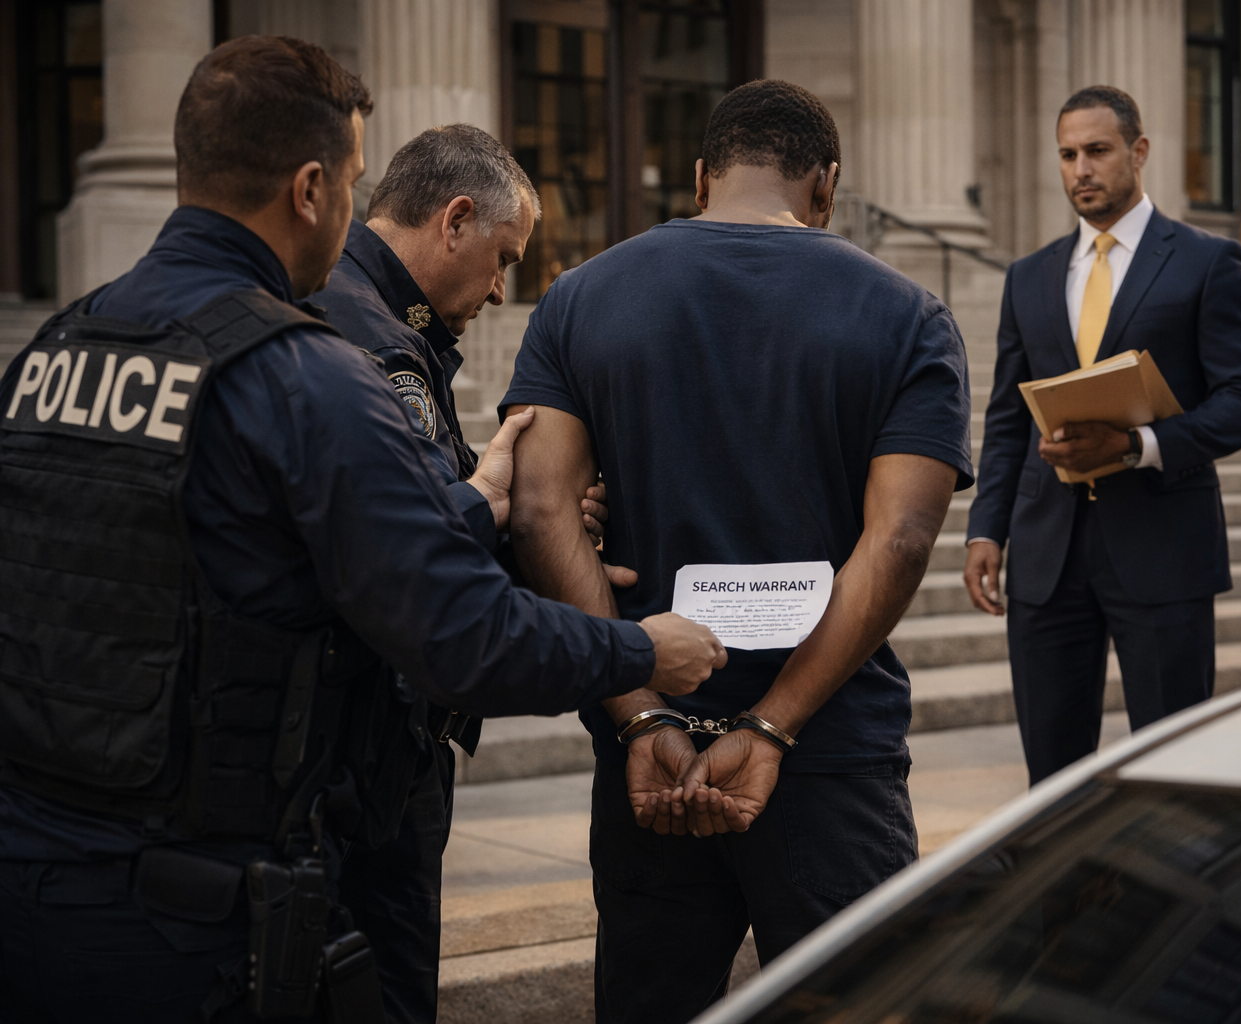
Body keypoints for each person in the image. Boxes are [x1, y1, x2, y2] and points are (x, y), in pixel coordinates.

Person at [0, 35, 724, 1024]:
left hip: (36, 875)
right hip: (195, 912)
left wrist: (471, 505)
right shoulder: (304, 375)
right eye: (349, 179)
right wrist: (643, 647)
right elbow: (463, 637)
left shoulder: (58, 344)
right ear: (308, 189)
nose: (354, 209)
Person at [500, 79, 972, 1024]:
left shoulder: (578, 298)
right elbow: (904, 535)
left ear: (703, 176)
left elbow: (541, 509)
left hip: (649, 752)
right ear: (827, 186)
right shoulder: (910, 316)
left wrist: (638, 716)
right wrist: (772, 729)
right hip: (828, 750)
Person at [309, 123, 632, 1024]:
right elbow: (401, 562)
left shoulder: (372, 314)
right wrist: (629, 649)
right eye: (502, 259)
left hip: (363, 740)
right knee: (384, 987)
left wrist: (512, 516)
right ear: (455, 218)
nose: (501, 288)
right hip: (364, 754)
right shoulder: (372, 338)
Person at [963, 85, 1241, 784]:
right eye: (1067, 154)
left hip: (1164, 550)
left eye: (1097, 151)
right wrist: (987, 530)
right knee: (1052, 777)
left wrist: (1138, 447)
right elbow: (1009, 415)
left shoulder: (1207, 262)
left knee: (1172, 769)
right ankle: (1063, 897)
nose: (1080, 169)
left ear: (1138, 152)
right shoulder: (1028, 277)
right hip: (1047, 556)